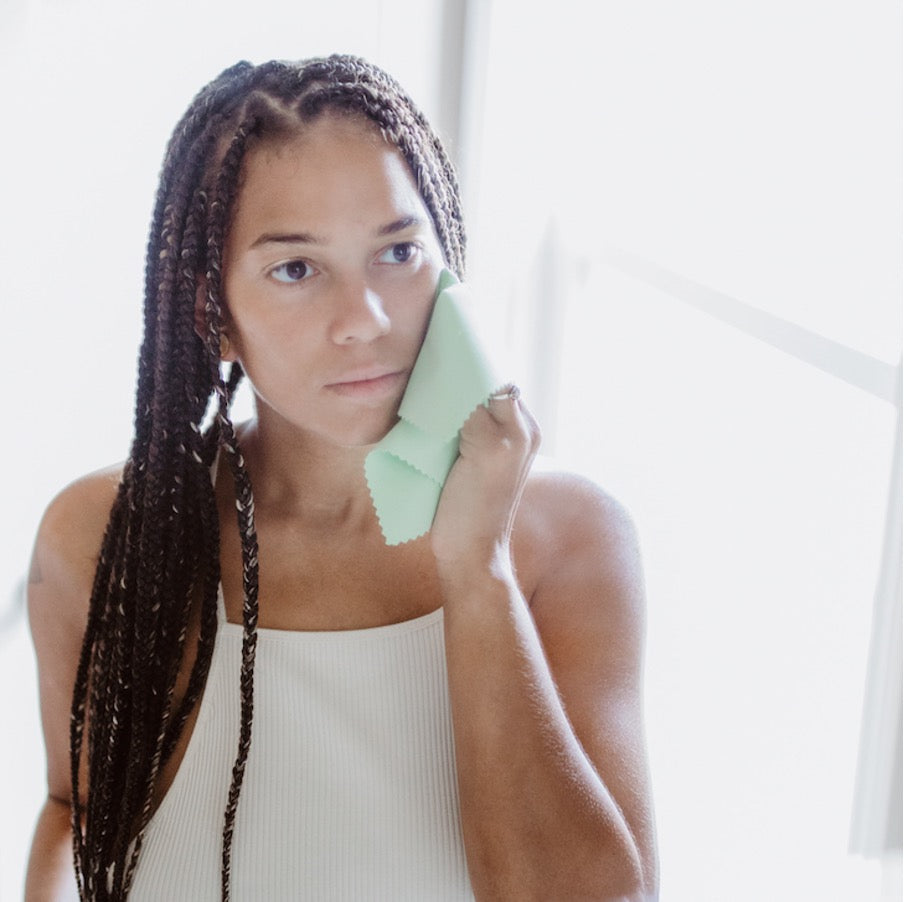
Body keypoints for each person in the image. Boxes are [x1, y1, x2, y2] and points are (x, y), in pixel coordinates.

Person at [24, 55, 658, 901]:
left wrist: (479, 571)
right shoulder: (107, 534)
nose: (367, 319)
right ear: (213, 312)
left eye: (397, 251)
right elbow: (73, 813)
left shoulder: (569, 540)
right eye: (296, 268)